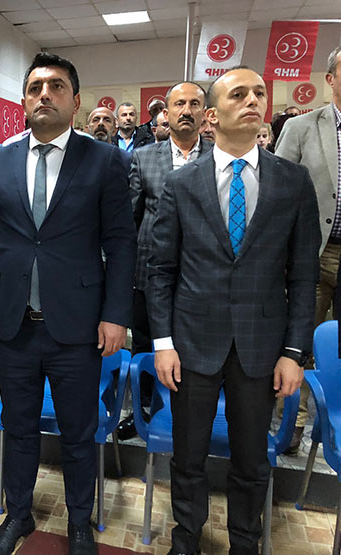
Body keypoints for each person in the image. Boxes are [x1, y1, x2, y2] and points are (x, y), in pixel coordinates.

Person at [0, 52, 136, 555]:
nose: (44, 94)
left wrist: (116, 315)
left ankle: (80, 522)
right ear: (23, 100)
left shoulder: (105, 160)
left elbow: (121, 243)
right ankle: (18, 516)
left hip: (77, 325)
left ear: (75, 102)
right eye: (35, 87)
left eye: (56, 86)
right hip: (13, 324)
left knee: (79, 432)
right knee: (17, 428)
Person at [147, 67, 320, 555]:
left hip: (261, 346)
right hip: (192, 344)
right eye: (238, 94)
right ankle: (187, 537)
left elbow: (303, 276)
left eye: (259, 93)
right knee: (188, 456)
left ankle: (245, 540)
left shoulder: (293, 181)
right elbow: (161, 270)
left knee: (251, 460)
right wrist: (163, 343)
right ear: (210, 116)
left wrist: (294, 352)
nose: (252, 101)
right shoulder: (182, 184)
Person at [121, 81, 212, 441]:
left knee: (196, 348)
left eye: (194, 104)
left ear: (206, 113)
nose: (186, 111)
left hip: (202, 275)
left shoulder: (219, 156)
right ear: (166, 113)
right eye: (179, 104)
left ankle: (191, 417)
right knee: (146, 345)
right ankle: (143, 411)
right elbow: (130, 219)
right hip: (149, 273)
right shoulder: (144, 158)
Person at [274, 46, 341, 454]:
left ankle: (334, 424)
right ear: (330, 78)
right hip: (314, 253)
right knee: (298, 344)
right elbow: (277, 193)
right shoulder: (303, 128)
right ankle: (292, 422)